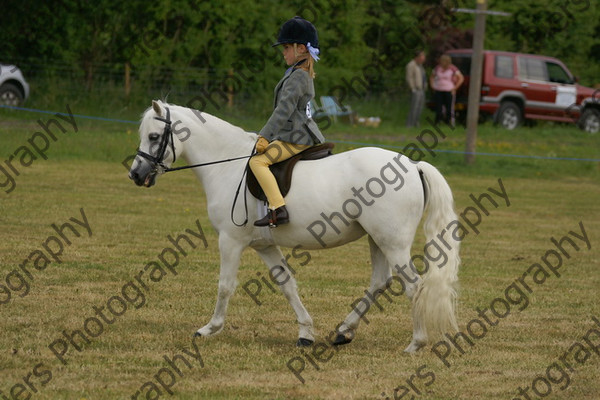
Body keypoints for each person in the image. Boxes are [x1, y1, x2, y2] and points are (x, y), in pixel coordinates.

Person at [249, 16, 325, 228]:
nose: (283, 52)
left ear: (300, 48)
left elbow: (284, 110)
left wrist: (265, 135)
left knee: (257, 162)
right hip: (295, 132)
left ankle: (277, 208)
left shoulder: (298, 76)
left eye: (285, 47)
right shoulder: (298, 73)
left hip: (297, 136)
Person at [430, 54, 464, 126]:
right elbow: (432, 77)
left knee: (449, 107)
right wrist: (432, 86)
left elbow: (461, 78)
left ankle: (449, 121)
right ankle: (438, 121)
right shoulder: (437, 68)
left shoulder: (453, 69)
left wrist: (455, 88)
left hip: (449, 90)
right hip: (439, 89)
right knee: (439, 107)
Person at [405, 50, 427, 127]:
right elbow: (409, 77)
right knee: (414, 107)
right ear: (417, 57)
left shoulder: (420, 66)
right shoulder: (411, 65)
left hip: (421, 89)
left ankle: (416, 123)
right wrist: (412, 88)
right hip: (415, 89)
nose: (424, 58)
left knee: (419, 107)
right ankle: (409, 124)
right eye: (422, 56)